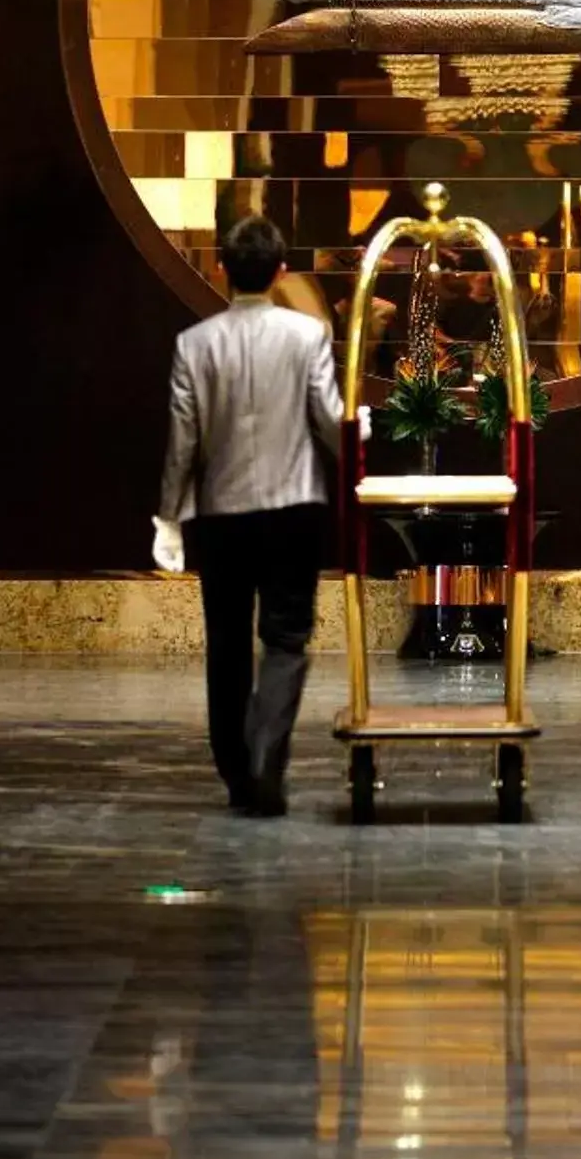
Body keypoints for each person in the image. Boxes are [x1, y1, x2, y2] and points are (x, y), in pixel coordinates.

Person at [154, 215, 344, 816]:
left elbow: (183, 442)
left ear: (221, 270)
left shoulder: (194, 344)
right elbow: (330, 422)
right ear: (281, 271)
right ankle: (266, 756)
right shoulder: (308, 335)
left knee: (228, 643)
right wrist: (355, 448)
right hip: (294, 508)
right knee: (286, 639)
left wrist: (168, 517)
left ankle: (237, 773)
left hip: (223, 514)